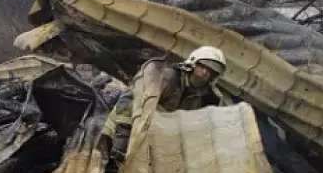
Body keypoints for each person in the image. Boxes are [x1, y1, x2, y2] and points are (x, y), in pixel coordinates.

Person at [98, 46, 230, 162]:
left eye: (212, 72)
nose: (206, 73)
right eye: (203, 67)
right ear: (193, 64)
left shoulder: (204, 97)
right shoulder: (165, 78)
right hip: (126, 129)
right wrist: (122, 139)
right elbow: (130, 103)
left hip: (156, 139)